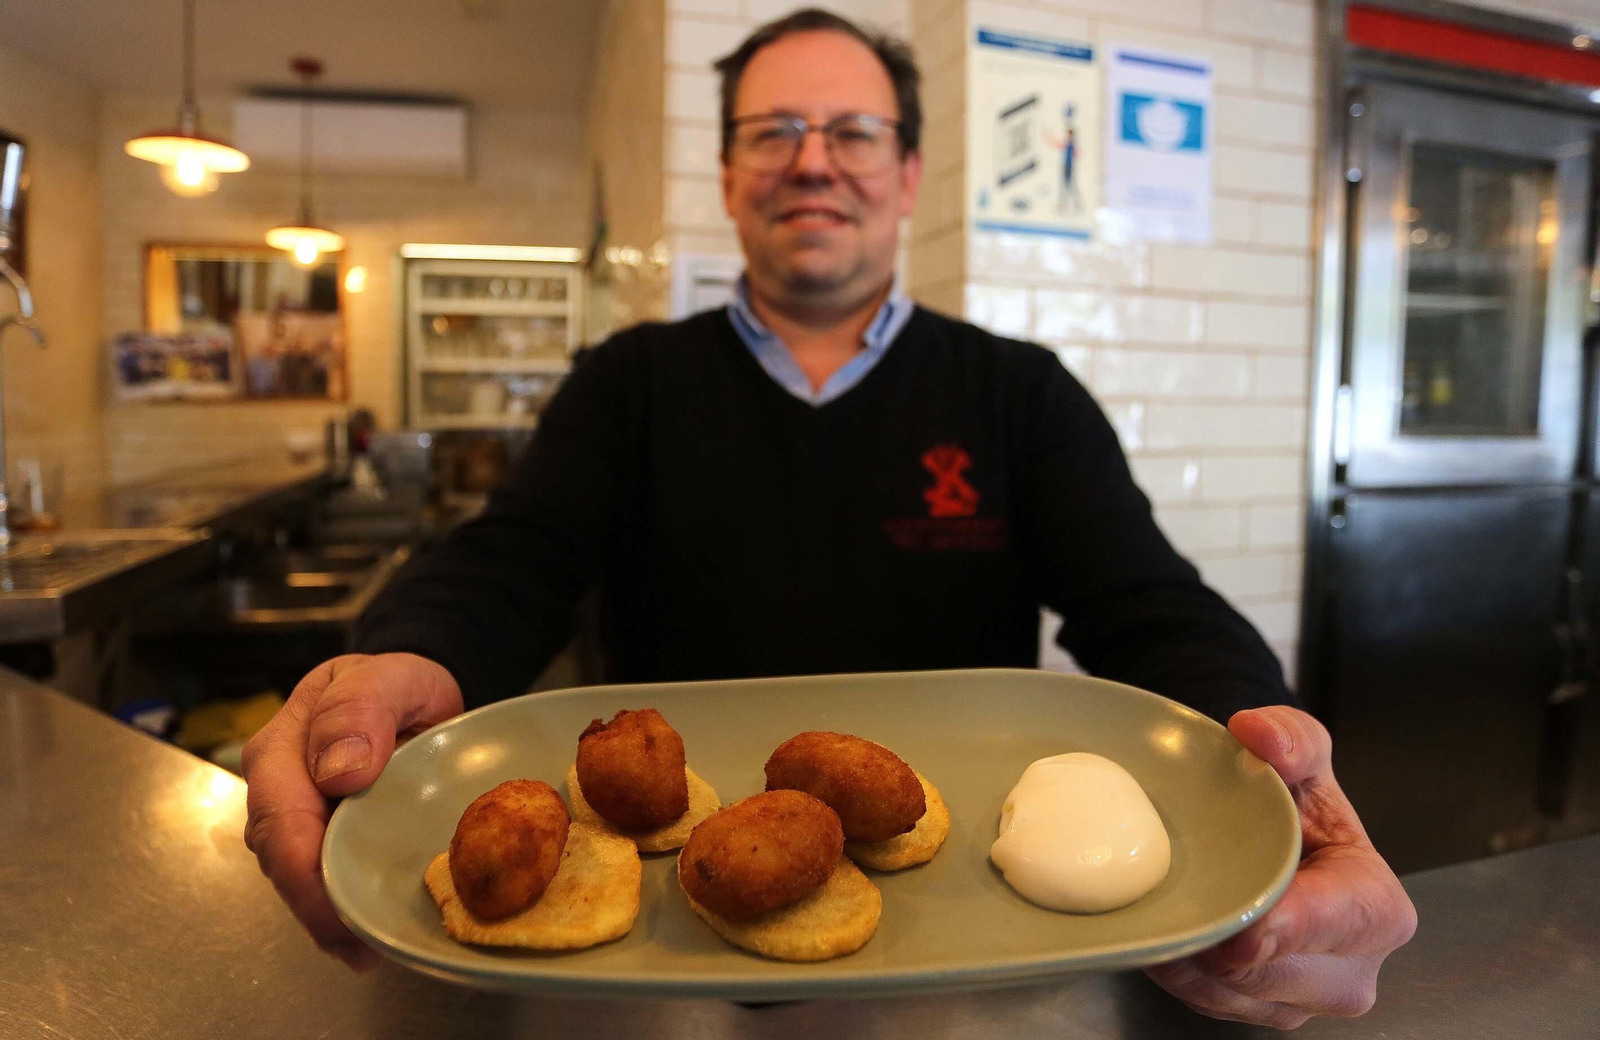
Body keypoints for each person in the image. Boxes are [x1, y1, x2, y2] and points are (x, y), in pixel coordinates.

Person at [241, 8, 1415, 1028]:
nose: (814, 161)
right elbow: (510, 557)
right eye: (774, 132)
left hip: (979, 965)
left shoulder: (1019, 392)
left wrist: (1260, 759)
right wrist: (399, 655)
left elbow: (1148, 604)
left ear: (905, 174)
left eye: (852, 132)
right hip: (658, 972)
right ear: (728, 174)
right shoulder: (627, 383)